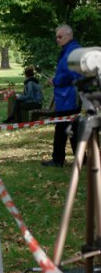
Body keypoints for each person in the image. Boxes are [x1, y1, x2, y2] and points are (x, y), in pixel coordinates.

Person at [41, 24, 83, 168]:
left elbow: (75, 75)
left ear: (69, 35)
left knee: (62, 129)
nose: (57, 40)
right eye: (56, 37)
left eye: (60, 37)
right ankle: (81, 158)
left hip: (69, 97)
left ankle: (58, 159)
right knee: (71, 129)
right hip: (67, 96)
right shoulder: (69, 50)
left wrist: (56, 80)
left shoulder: (73, 51)